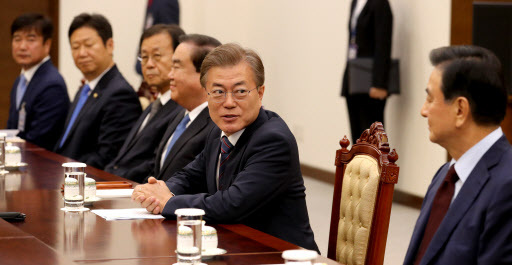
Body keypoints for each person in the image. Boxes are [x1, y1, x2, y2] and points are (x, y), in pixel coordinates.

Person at [132, 43, 319, 252]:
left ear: (260, 93)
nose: (229, 103)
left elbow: (231, 204)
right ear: (207, 95)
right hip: (235, 249)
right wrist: (161, 190)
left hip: (279, 255)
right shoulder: (217, 130)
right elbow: (190, 175)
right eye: (218, 92)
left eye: (240, 91)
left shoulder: (273, 140)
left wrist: (168, 202)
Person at [403, 45, 512, 265]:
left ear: (460, 110)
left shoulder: (506, 186)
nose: (423, 111)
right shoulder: (446, 175)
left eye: (431, 99)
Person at [55, 13, 141, 170]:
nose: (81, 53)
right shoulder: (85, 89)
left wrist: (64, 172)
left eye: (88, 45)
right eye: (75, 47)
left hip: (82, 181)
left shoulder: (120, 94)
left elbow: (106, 157)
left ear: (110, 45)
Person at [104, 24, 185, 181]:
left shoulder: (181, 109)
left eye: (157, 56)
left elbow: (153, 165)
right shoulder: (153, 105)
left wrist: (114, 180)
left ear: (178, 59)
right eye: (144, 57)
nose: (148, 64)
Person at [149, 34, 220, 182]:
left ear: (205, 75)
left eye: (176, 67)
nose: (170, 75)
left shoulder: (217, 125)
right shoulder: (180, 115)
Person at [7, 13, 69, 150]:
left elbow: (39, 142)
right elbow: (12, 128)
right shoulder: (20, 81)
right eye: (17, 39)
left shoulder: (52, 85)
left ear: (47, 44)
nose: (22, 46)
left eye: (30, 40)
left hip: (39, 164)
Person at [341, 0, 393, 143]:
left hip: (372, 82)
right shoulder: (355, 3)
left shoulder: (380, 4)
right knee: (357, 139)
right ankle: (357, 166)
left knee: (372, 140)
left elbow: (383, 44)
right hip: (354, 78)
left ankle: (374, 166)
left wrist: (379, 84)